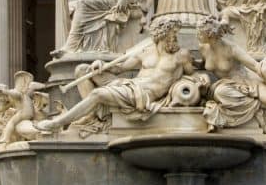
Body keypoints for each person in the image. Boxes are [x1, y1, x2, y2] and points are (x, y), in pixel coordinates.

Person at [37, 18, 193, 133]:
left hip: (142, 95)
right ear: (162, 34)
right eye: (173, 33)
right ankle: (91, 115)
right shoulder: (145, 52)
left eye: (176, 34)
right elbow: (120, 68)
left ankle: (57, 123)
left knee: (98, 94)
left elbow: (193, 74)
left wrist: (201, 79)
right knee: (83, 70)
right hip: (130, 86)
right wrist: (101, 64)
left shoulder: (181, 55)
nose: (175, 38)